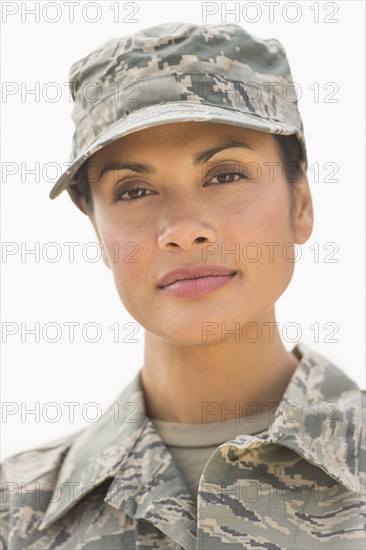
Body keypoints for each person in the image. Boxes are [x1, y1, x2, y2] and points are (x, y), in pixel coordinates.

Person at [1, 21, 365, 550]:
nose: (182, 229)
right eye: (134, 190)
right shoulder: (17, 515)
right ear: (98, 233)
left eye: (225, 175)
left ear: (301, 203)